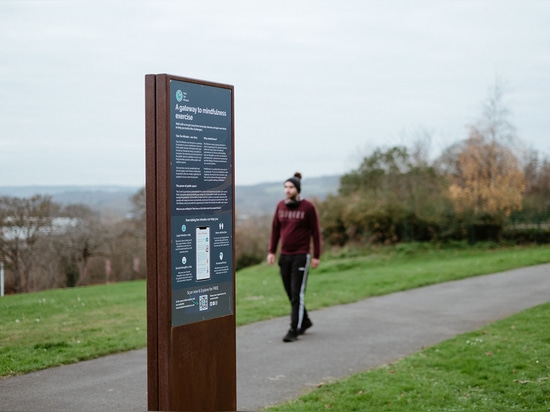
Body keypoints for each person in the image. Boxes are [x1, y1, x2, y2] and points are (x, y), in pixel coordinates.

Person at [267, 172, 322, 342]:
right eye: (285, 187)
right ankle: (304, 321)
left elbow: (316, 233)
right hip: (285, 255)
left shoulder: (308, 207)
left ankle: (294, 329)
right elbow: (275, 230)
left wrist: (316, 256)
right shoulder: (280, 207)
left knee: (297, 293)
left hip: (301, 255)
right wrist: (271, 251)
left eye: (290, 187)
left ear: (297, 189)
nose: (287, 190)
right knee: (290, 292)